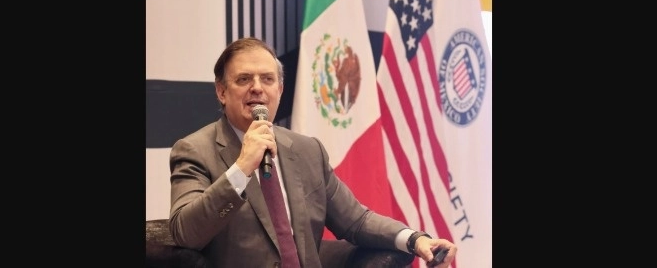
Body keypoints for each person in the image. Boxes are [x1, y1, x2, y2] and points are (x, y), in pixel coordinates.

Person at [168, 37, 458, 268]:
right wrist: (242, 167)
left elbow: (356, 220)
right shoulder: (195, 150)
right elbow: (186, 232)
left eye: (267, 79)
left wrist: (414, 240)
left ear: (280, 89)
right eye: (244, 79)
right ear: (221, 91)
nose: (257, 88)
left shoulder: (307, 150)